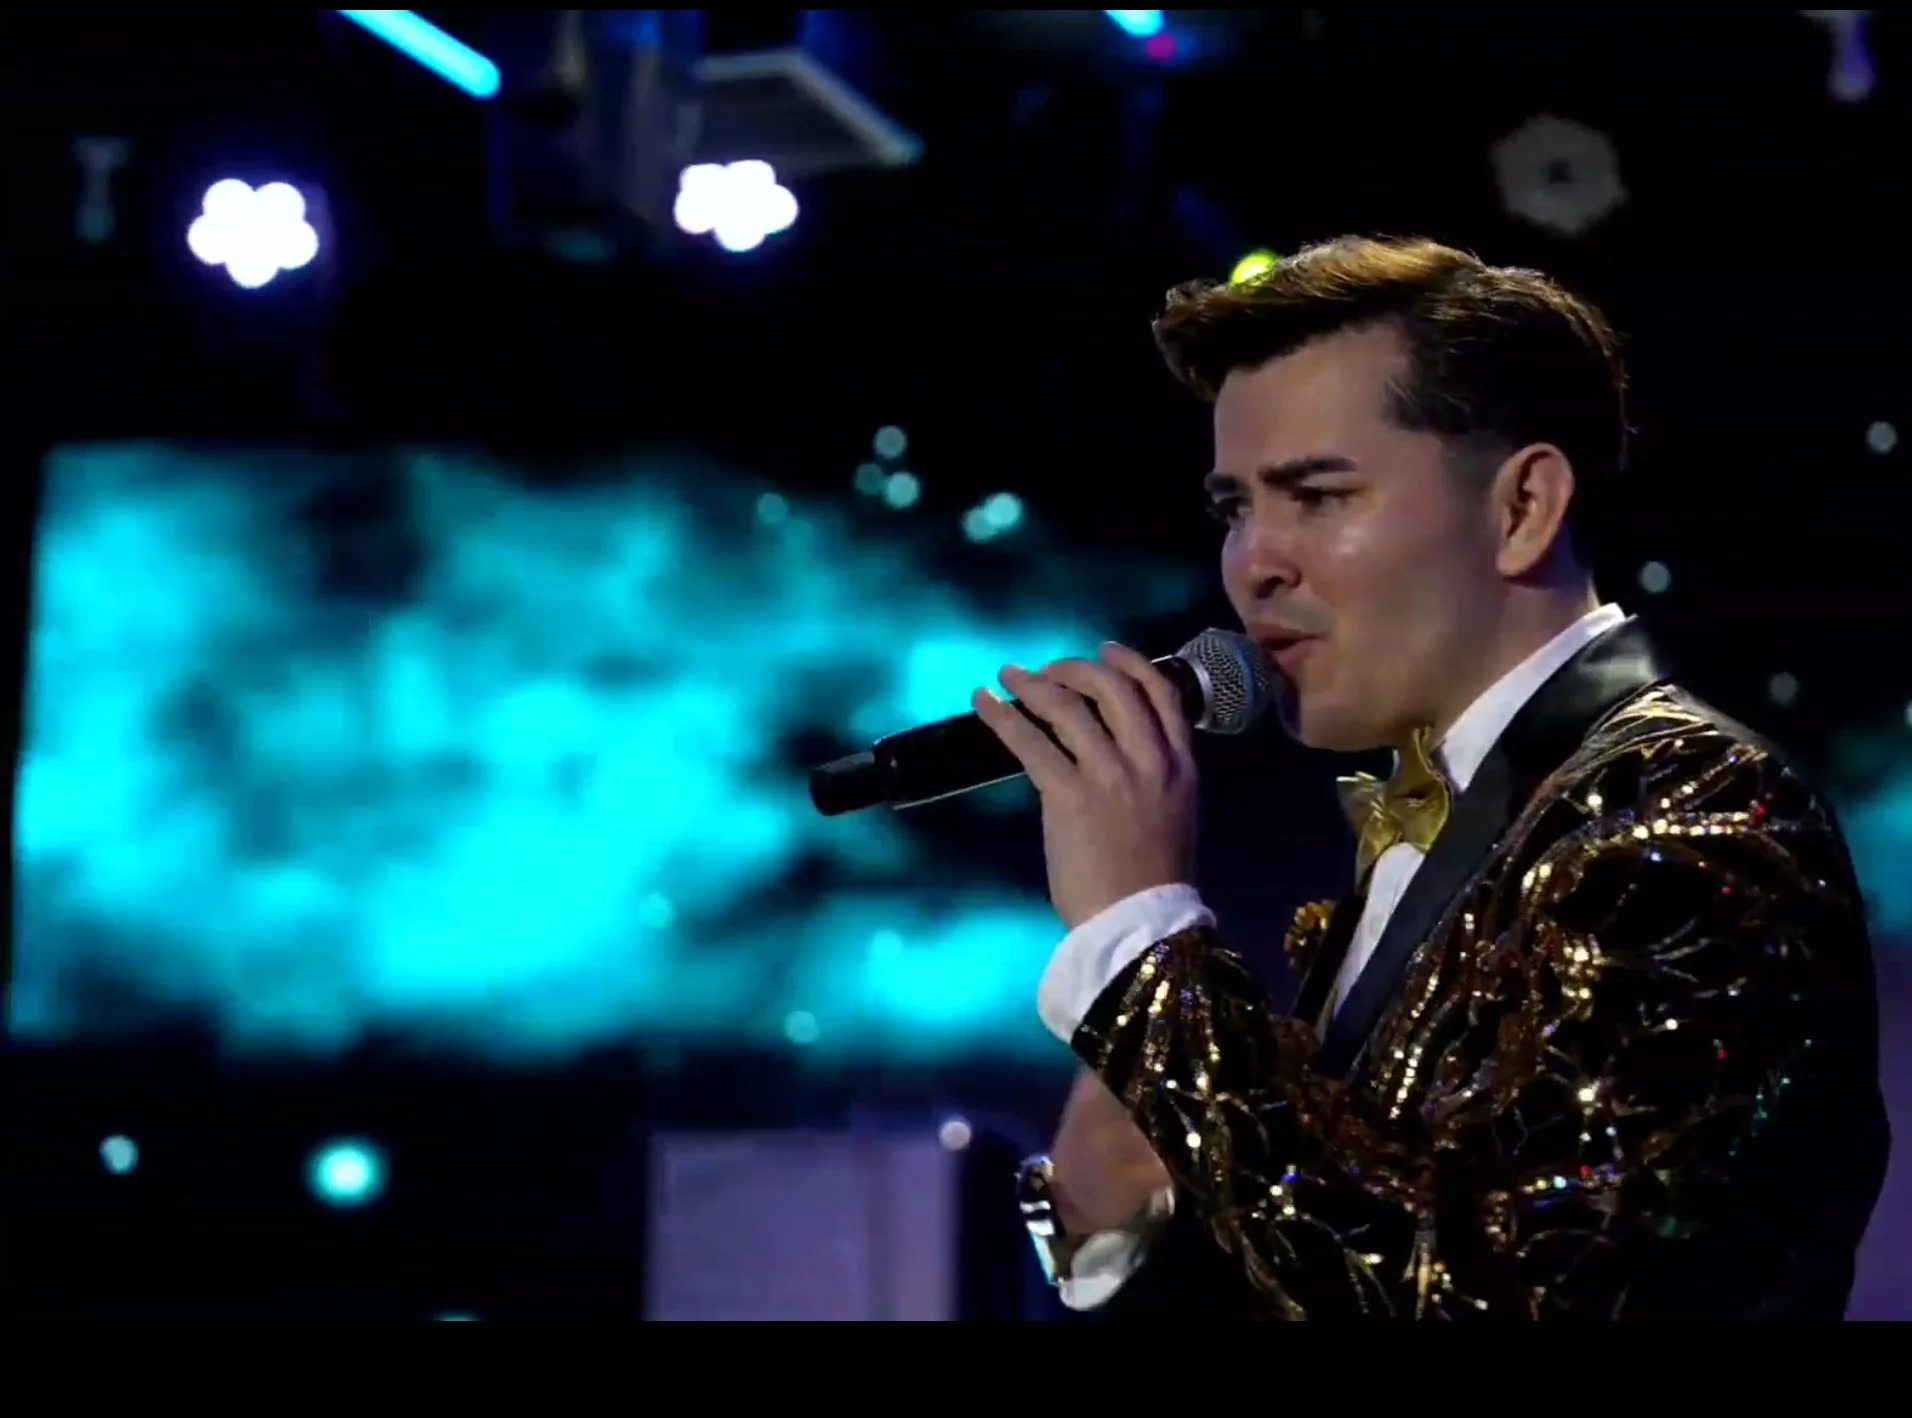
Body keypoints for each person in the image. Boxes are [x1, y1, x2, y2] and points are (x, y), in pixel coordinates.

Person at [973, 236, 1890, 1319]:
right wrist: (1116, 1217)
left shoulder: (1690, 814)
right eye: (1234, 509)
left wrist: (1142, 947)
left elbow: (1490, 1291)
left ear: (1521, 508)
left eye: (1318, 495)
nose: (1253, 561)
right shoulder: (1462, 817)